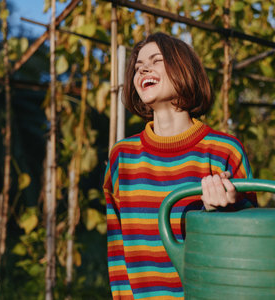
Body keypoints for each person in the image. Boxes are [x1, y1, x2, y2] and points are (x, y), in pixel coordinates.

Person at [103, 32, 256, 300]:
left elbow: (252, 241)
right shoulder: (122, 157)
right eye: (138, 67)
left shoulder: (223, 151)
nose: (143, 70)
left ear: (183, 69)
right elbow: (118, 251)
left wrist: (228, 209)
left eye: (155, 61)